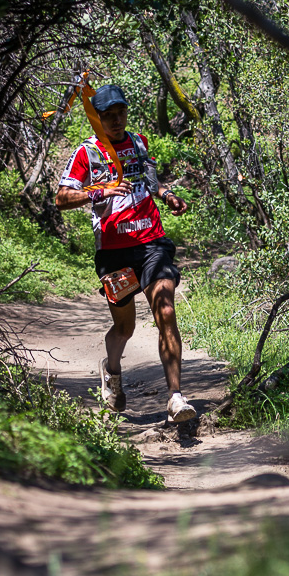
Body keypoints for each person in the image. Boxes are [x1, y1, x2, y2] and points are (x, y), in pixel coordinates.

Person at [54, 83, 196, 423]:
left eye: (121, 113)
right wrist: (101, 190)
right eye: (109, 116)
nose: (117, 121)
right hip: (114, 252)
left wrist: (167, 195)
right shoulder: (87, 153)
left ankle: (176, 398)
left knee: (165, 310)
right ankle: (112, 372)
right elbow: (61, 199)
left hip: (151, 242)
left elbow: (150, 182)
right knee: (125, 328)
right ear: (98, 118)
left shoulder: (138, 143)